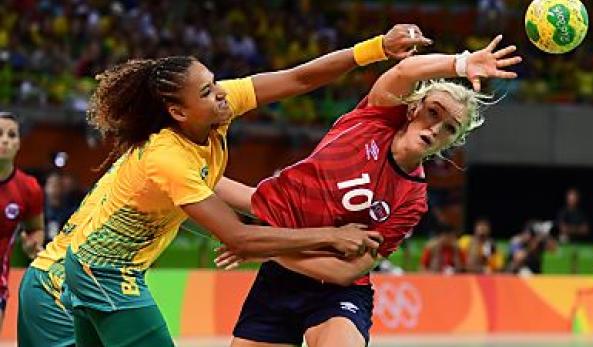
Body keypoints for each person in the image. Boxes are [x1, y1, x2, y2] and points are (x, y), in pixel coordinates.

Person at [22, 25, 423, 347]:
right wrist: (331, 236)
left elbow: (299, 78)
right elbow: (240, 238)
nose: (221, 94)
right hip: (66, 283)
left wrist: (377, 49)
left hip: (94, 271)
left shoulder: (215, 112)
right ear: (178, 112)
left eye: (214, 83)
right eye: (207, 92)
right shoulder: (167, 156)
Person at [215, 34, 522, 347]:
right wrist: (461, 63)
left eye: (449, 129)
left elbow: (345, 272)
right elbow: (403, 73)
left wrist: (262, 247)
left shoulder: (412, 201)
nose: (435, 129)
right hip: (278, 282)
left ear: (451, 143)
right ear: (414, 108)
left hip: (334, 293)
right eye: (434, 112)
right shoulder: (374, 119)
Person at [0, 111, 44, 331]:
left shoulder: (29, 189)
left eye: (11, 135)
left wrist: (32, 243)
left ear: (18, 144)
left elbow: (35, 229)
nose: (5, 140)